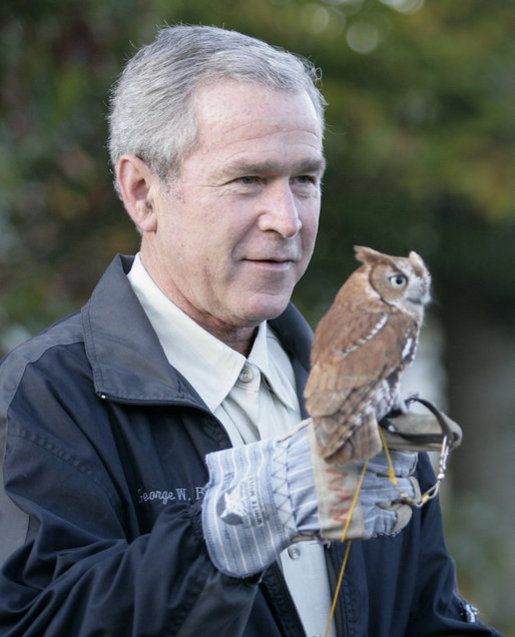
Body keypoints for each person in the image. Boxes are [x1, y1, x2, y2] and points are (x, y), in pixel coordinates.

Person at [0, 25, 500, 637]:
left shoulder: (364, 396)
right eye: (248, 180)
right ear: (142, 193)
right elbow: (32, 624)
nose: (287, 220)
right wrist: (225, 533)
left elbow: (430, 619)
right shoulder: (43, 399)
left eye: (305, 179)